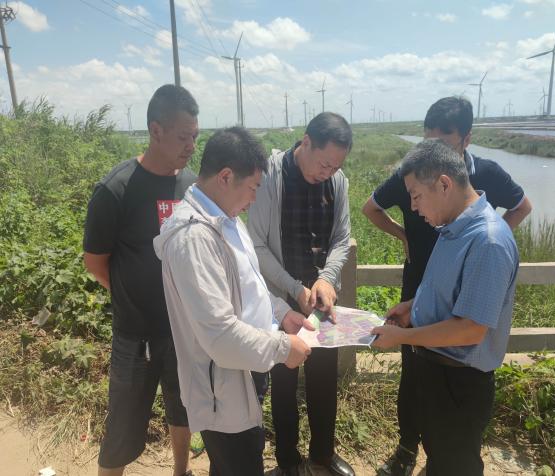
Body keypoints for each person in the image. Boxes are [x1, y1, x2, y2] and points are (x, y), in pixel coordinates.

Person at [362, 96, 531, 476]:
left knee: (455, 463)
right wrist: (412, 306)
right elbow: (443, 289)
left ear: (443, 184)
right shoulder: (451, 228)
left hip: (460, 383)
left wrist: (403, 337)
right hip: (438, 373)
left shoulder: (487, 242)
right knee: (440, 456)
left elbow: (470, 329)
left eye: (416, 197)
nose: (413, 208)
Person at [153, 127, 313, 476]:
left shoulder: (227, 219)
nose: (254, 198)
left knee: (236, 461)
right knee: (239, 462)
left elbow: (248, 285)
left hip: (246, 367)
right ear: (225, 177)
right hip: (222, 388)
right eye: (253, 187)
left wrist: (282, 313)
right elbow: (221, 335)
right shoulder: (194, 239)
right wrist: (283, 347)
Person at [83, 84, 199, 476]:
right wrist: (132, 295)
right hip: (135, 335)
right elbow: (95, 262)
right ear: (155, 131)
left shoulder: (191, 186)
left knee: (183, 407)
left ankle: (181, 470)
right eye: (183, 137)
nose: (191, 146)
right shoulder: (116, 189)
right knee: (124, 422)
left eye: (195, 137)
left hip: (183, 329)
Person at [247, 112, 355, 476]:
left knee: (325, 379)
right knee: (283, 382)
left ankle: (323, 454)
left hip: (323, 299)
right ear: (306, 142)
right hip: (282, 298)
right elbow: (257, 245)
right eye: (324, 164)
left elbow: (341, 239)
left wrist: (326, 279)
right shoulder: (270, 177)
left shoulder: (337, 182)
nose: (328, 172)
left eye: (336, 166)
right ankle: (287, 460)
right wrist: (295, 287)